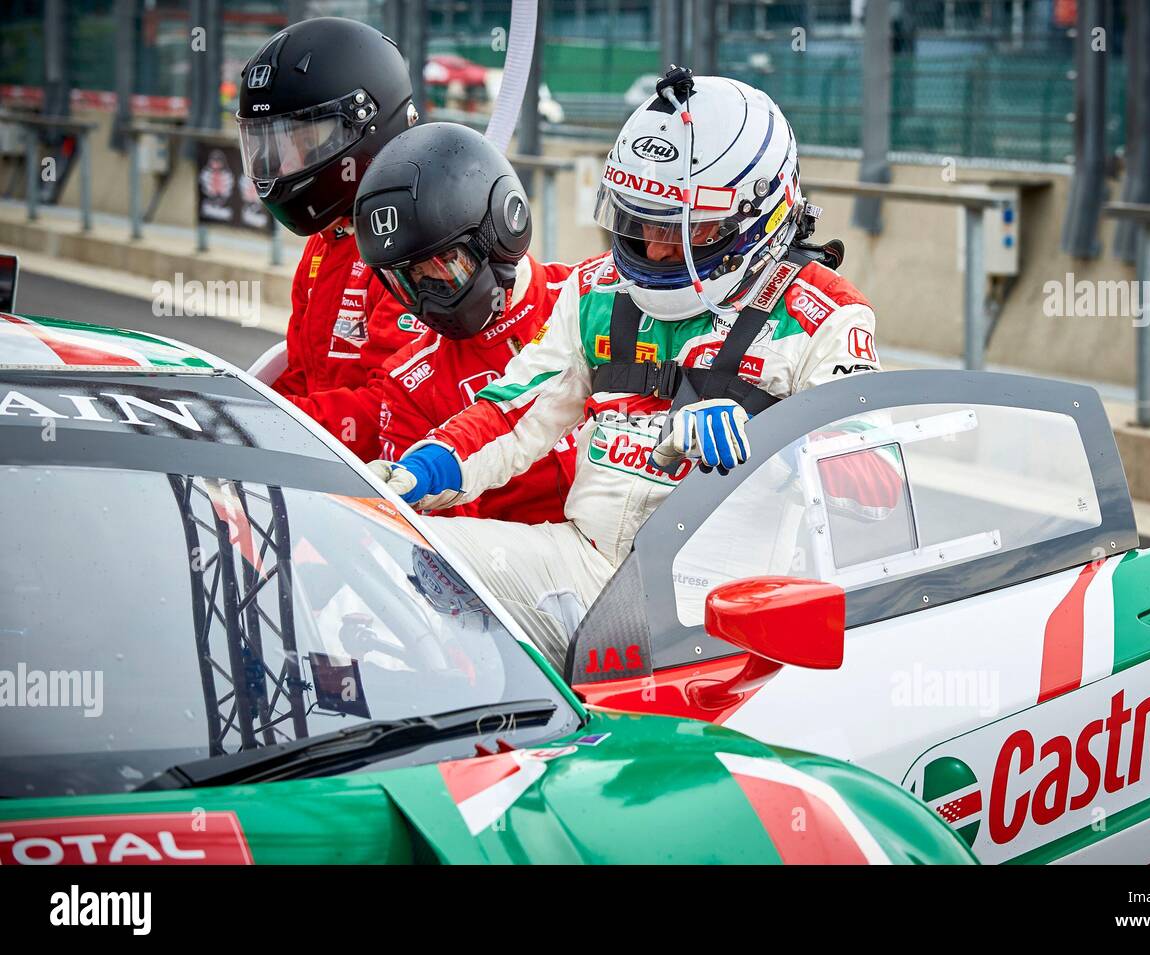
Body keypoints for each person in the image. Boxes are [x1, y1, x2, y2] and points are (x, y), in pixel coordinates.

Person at [368, 70, 886, 668]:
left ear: (760, 213)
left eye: (682, 228)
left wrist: (767, 442)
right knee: (391, 553)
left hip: (717, 603)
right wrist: (419, 473)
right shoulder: (593, 291)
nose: (657, 249)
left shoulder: (826, 315)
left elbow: (876, 486)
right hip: (584, 564)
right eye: (640, 223)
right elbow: (513, 411)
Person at [353, 123, 577, 524]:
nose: (426, 296)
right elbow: (448, 544)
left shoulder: (591, 301)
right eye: (407, 280)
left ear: (501, 231)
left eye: (440, 269)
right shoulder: (410, 386)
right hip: (522, 575)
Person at [235, 17, 418, 460]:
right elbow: (300, 376)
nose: (282, 164)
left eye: (304, 139)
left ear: (366, 125)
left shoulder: (415, 245)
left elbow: (396, 413)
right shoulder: (330, 237)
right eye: (271, 145)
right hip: (335, 471)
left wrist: (266, 425)